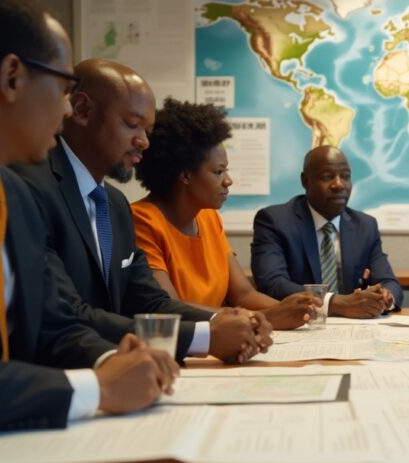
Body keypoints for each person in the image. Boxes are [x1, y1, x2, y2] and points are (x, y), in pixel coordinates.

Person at [0, 0, 176, 438]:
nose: (67, 109)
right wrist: (94, 389)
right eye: (64, 86)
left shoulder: (13, 195)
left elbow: (54, 325)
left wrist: (112, 360)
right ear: (11, 77)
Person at [11, 59, 271, 364]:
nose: (144, 142)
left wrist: (226, 324)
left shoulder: (115, 205)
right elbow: (68, 313)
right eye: (132, 124)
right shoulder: (28, 187)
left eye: (147, 130)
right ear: (81, 110)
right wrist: (205, 338)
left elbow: (150, 301)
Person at [131, 98, 315, 329]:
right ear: (185, 175)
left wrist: (292, 310)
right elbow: (169, 308)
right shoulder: (142, 221)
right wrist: (263, 318)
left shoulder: (208, 218)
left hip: (223, 337)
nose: (228, 181)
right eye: (218, 172)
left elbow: (244, 295)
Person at [251, 146, 402, 319]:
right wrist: (334, 303)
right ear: (305, 181)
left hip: (354, 328)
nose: (339, 184)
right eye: (327, 176)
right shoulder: (275, 221)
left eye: (345, 176)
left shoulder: (365, 225)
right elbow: (272, 283)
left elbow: (389, 282)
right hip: (301, 324)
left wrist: (385, 298)